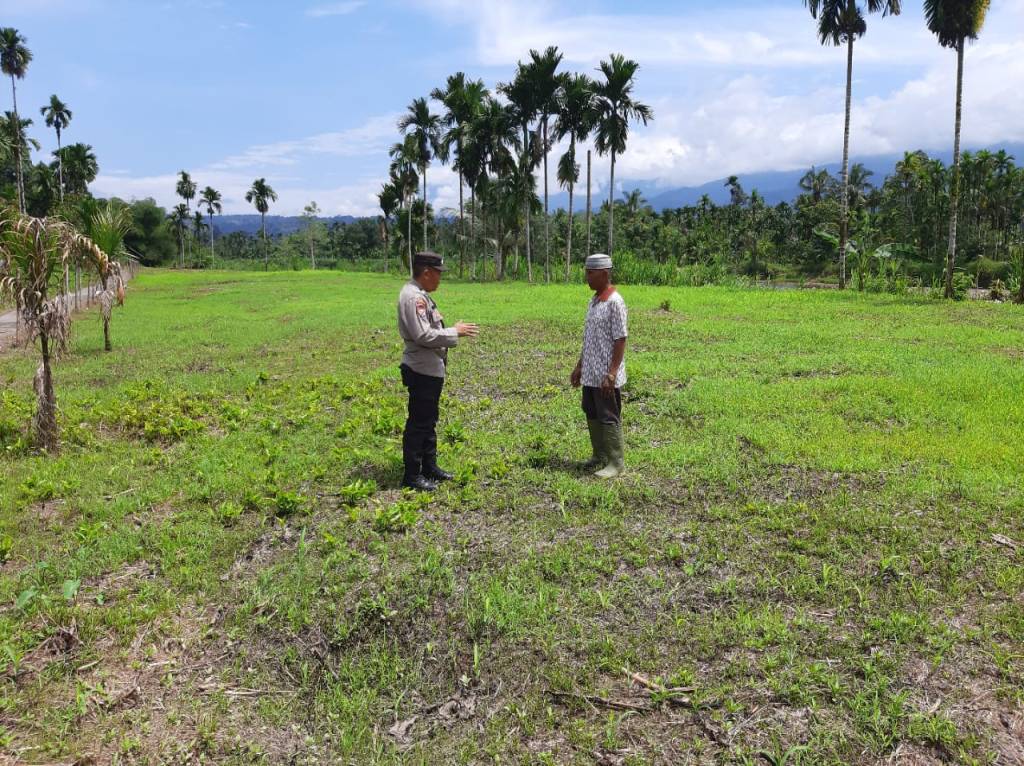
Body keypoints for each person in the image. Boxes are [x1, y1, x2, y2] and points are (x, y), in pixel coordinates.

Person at [397, 252, 479, 491]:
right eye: (438, 274)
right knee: (419, 423)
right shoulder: (413, 298)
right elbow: (423, 335)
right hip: (421, 368)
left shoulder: (419, 295)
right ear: (426, 273)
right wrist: (455, 331)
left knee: (429, 419)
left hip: (430, 368)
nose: (439, 279)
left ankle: (428, 466)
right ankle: (412, 475)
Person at [570, 253, 628, 478]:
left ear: (604, 273)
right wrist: (579, 366)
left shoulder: (615, 302)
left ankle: (616, 462)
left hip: (606, 373)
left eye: (590, 273)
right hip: (591, 372)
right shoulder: (594, 301)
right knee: (591, 411)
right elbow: (590, 338)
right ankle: (600, 455)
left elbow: (620, 339)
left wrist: (612, 373)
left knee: (608, 414)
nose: (587, 277)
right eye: (586, 272)